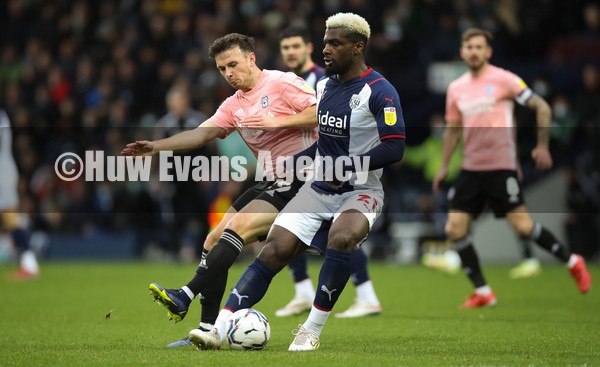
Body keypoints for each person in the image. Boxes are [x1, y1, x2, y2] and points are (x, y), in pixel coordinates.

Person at [188, 13, 406, 351]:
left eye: (335, 43)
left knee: (341, 237)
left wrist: (347, 165)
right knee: (274, 248)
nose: (326, 50)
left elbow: (395, 147)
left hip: (361, 191)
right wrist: (294, 165)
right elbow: (323, 144)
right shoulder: (324, 87)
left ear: (358, 47)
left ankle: (311, 330)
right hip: (318, 188)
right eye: (325, 43)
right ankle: (220, 326)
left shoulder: (380, 91)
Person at [121, 33, 319, 346]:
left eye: (233, 64)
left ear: (251, 58)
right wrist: (155, 147)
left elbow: (319, 113)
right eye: (221, 68)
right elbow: (199, 136)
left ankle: (184, 294)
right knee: (213, 240)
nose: (228, 73)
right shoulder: (233, 105)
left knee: (237, 228)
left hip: (304, 178)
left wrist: (278, 122)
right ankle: (205, 329)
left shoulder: (281, 83)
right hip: (270, 180)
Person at [432, 28, 591, 309]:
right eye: (469, 46)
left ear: (488, 51)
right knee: (455, 229)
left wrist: (542, 146)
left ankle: (572, 260)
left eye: (479, 46)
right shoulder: (457, 88)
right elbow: (452, 130)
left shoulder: (505, 79)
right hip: (470, 169)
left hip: (500, 168)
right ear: (461, 51)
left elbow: (542, 107)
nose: (474, 51)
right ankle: (483, 291)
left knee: (523, 226)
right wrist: (444, 166)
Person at [275, 25, 382, 318]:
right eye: (285, 48)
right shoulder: (290, 81)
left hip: (333, 167)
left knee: (340, 230)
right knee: (290, 227)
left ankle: (364, 293)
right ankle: (303, 290)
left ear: (308, 47)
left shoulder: (322, 79)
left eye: (295, 46)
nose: (290, 52)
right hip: (309, 164)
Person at [0, 109, 39, 281]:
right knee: (10, 220)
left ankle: (29, 264)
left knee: (11, 219)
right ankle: (28, 262)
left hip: (3, 171)